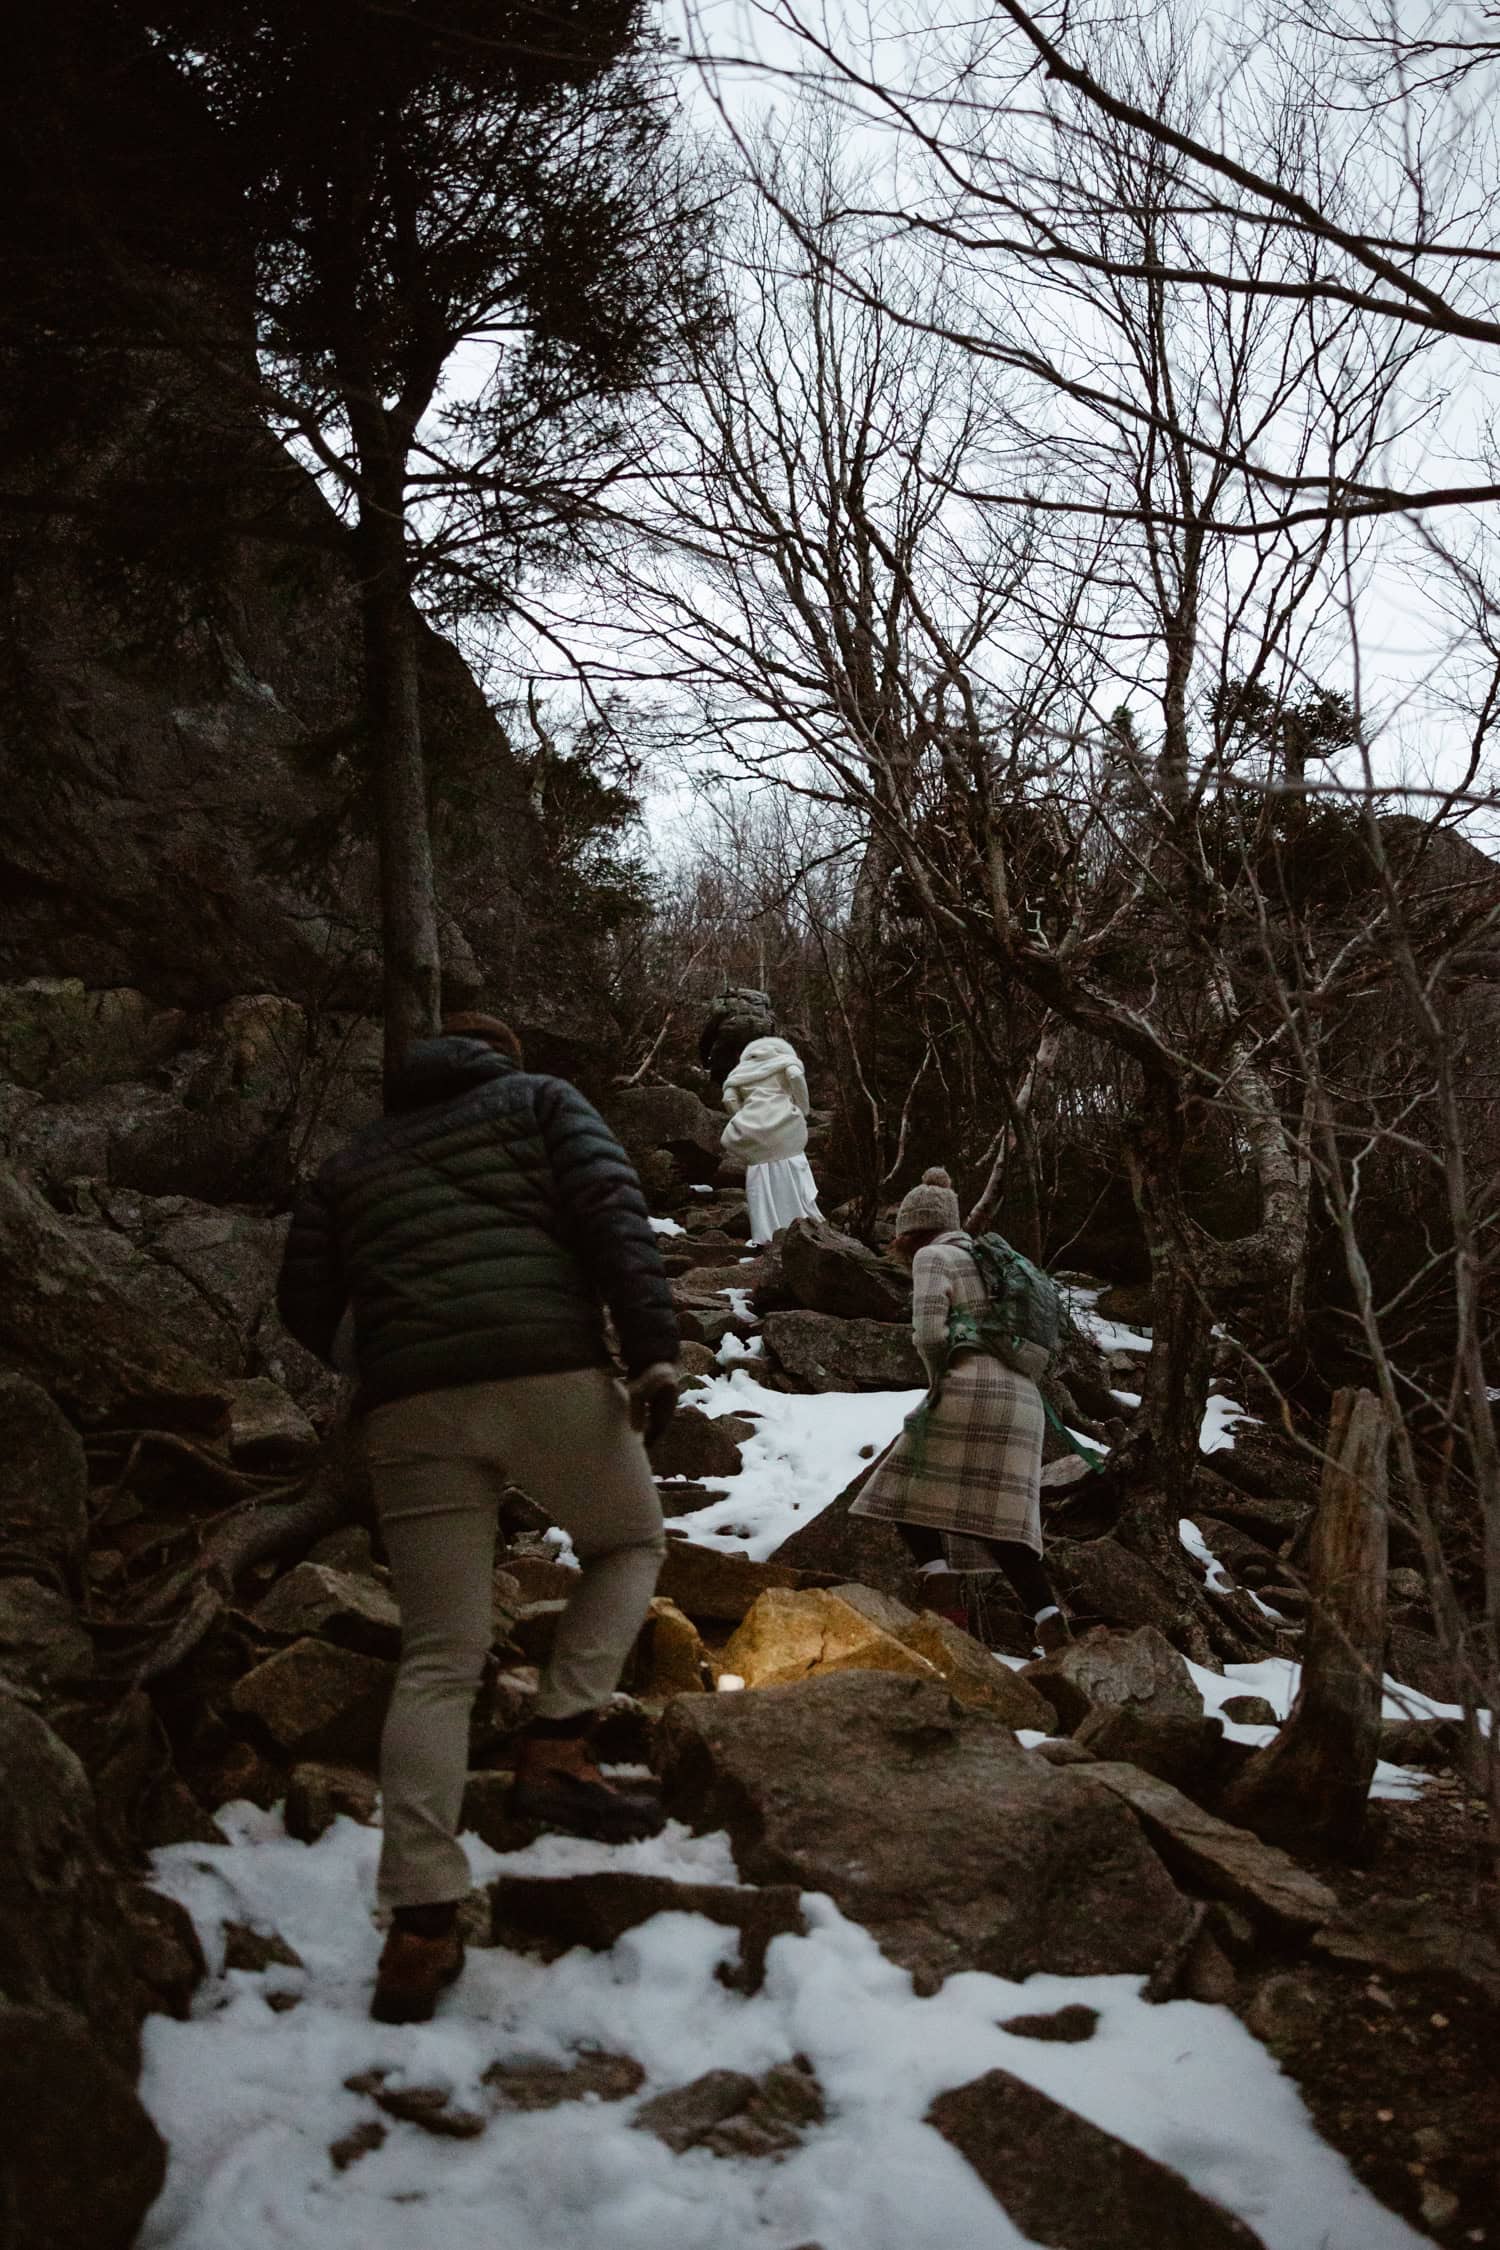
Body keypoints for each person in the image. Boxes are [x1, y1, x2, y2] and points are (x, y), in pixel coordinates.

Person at [276, 1012, 680, 2025]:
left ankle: (418, 1932)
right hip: (547, 1371)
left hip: (411, 1409)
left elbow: (302, 1299)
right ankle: (557, 1744)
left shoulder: (349, 1163)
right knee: (629, 1541)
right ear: (498, 1059)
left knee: (439, 1655)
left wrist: (388, 1348)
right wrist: (653, 1346)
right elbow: (612, 1213)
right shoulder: (541, 1102)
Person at [850, 1167, 1069, 1656]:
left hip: (971, 1388)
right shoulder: (990, 1257)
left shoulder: (934, 1256)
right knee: (1000, 1522)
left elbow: (930, 1332)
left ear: (913, 1228)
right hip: (1024, 1399)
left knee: (901, 1487)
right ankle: (1049, 1618)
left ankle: (937, 1579)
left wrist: (937, 1381)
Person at [720, 1032, 824, 1246]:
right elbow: (796, 1077)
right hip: (785, 1125)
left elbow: (728, 1098)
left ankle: (765, 1234)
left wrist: (741, 1116)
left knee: (760, 1179)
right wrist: (802, 1109)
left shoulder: (739, 1072)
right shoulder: (784, 1062)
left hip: (755, 1133)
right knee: (793, 1172)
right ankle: (804, 1222)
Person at [699, 985, 776, 1095]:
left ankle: (720, 1094)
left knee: (722, 1067)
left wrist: (705, 1061)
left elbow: (709, 1034)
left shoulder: (724, 1003)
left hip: (731, 1033)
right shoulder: (760, 1005)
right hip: (760, 1033)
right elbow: (773, 1027)